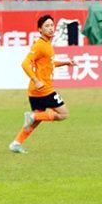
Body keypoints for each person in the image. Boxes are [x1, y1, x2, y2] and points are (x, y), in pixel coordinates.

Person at [9, 15, 75, 153]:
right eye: (47, 26)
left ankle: (16, 143)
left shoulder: (47, 44)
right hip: (43, 89)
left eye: (52, 25)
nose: (51, 28)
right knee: (63, 114)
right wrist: (36, 80)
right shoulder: (39, 45)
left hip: (35, 91)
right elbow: (25, 63)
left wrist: (65, 62)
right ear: (40, 29)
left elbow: (49, 63)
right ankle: (31, 116)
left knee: (37, 120)